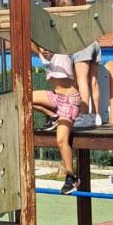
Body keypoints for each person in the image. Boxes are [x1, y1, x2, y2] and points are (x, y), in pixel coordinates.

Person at [44, 0, 103, 126]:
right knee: (93, 81)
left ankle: (84, 115)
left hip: (81, 43)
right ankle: (96, 115)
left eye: (50, 1)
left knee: (81, 80)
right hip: (93, 41)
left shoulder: (60, 13)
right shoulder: (75, 9)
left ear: (56, 1)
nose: (48, 4)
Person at [32, 46, 82, 194]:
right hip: (55, 97)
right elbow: (30, 41)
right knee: (24, 96)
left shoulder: (62, 53)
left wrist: (54, 49)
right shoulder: (44, 55)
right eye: (42, 47)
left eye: (47, 47)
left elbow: (63, 43)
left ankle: (71, 177)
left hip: (69, 101)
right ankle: (52, 115)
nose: (44, 50)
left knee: (61, 140)